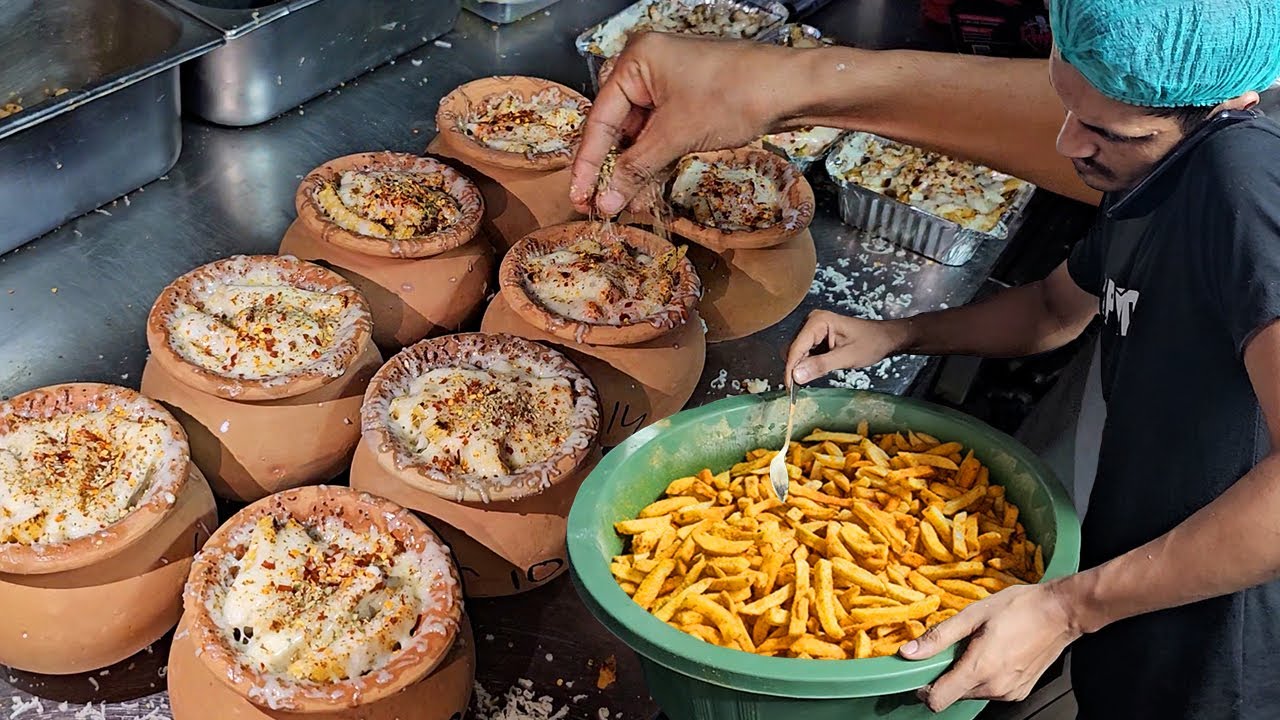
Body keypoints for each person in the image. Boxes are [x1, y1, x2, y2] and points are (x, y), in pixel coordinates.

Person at [569, 1, 1280, 718]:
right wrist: (897, 334)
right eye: (1065, 104)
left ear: (1231, 105)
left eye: (1104, 130)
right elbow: (1053, 310)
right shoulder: (1155, 177)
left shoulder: (1246, 178)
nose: (1067, 145)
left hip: (1230, 642)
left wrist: (1070, 608)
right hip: (1143, 585)